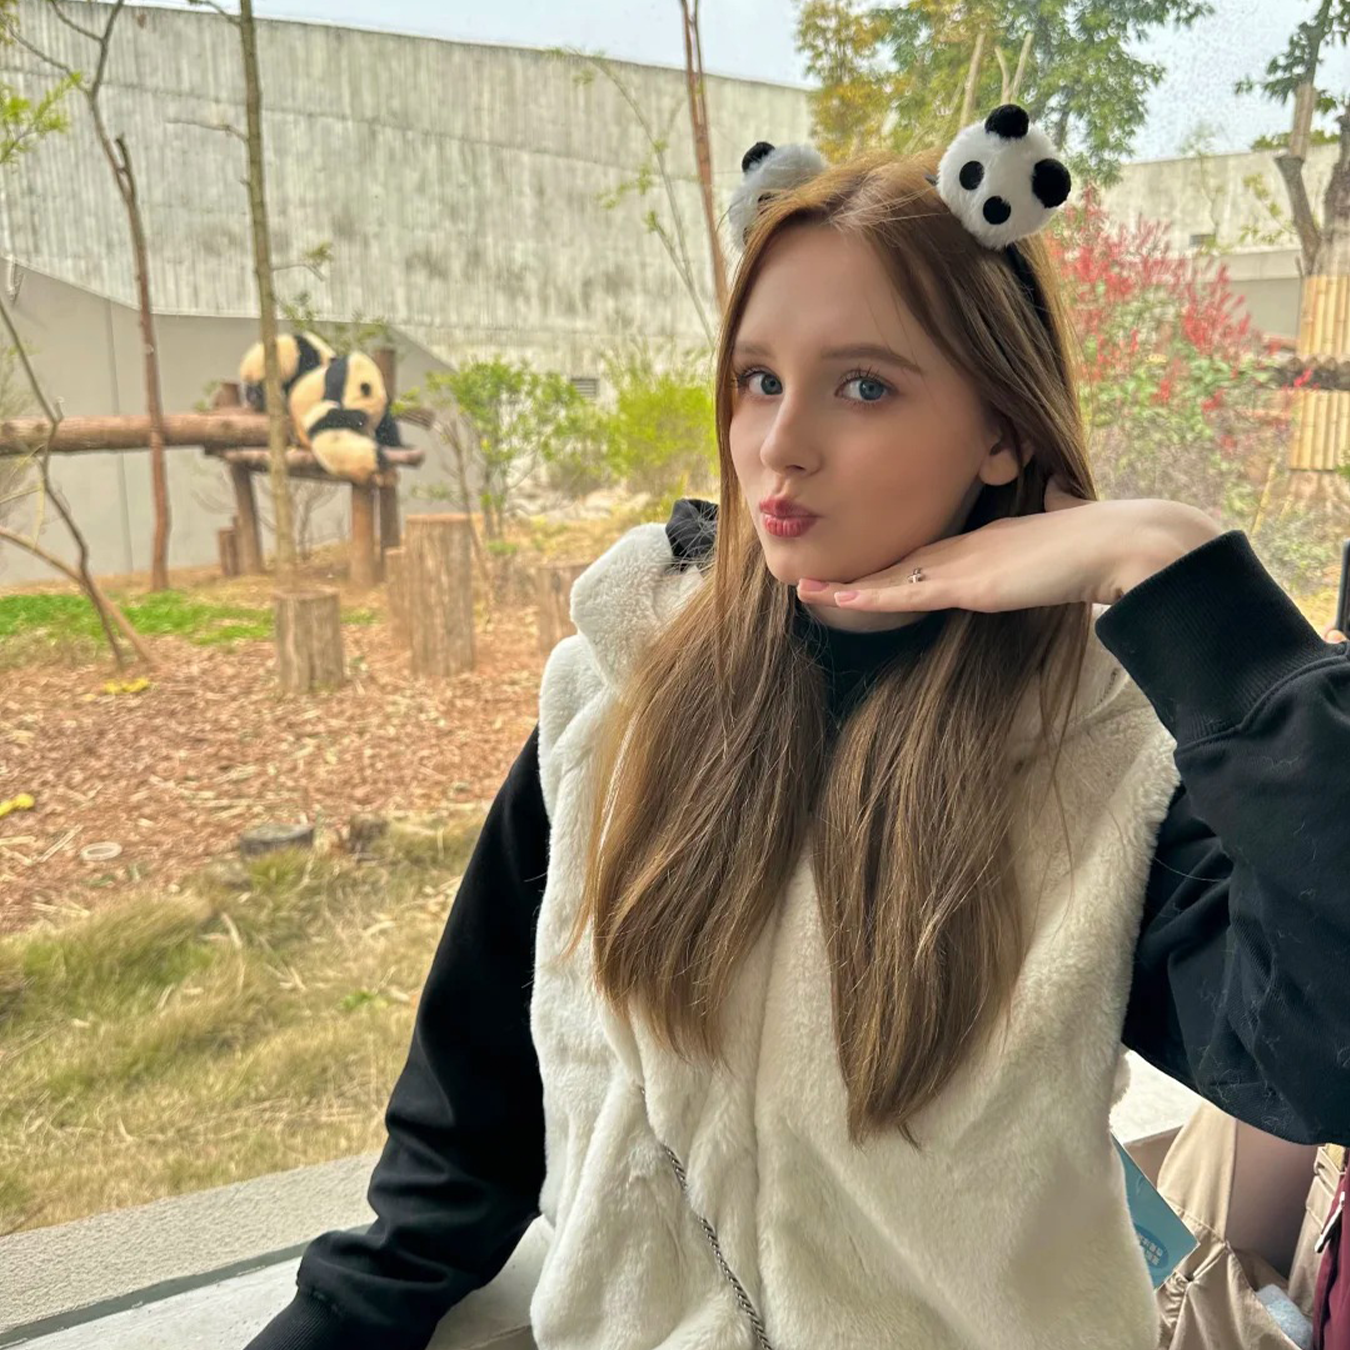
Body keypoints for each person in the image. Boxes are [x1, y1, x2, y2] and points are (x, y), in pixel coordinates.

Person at [244, 107, 1350, 1350]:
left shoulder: (1105, 765)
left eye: (862, 386)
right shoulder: (612, 697)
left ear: (1001, 432)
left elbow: (1327, 1058)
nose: (778, 445)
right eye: (758, 380)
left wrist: (1175, 566)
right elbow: (465, 1130)